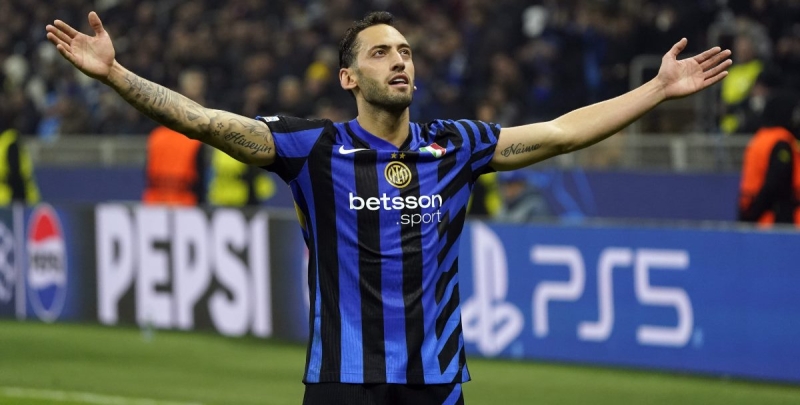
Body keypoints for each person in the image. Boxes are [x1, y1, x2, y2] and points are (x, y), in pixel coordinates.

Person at [45, 11, 731, 404]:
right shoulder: (313, 147)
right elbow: (204, 122)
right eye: (380, 53)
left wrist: (655, 90)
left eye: (405, 51)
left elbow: (560, 133)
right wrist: (116, 75)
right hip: (343, 384)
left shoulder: (456, 145)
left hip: (436, 383)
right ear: (349, 77)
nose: (400, 61)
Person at [142, 69, 208, 206]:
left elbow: (147, 174)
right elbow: (200, 183)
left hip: (154, 205)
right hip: (184, 206)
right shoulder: (195, 140)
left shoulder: (155, 136)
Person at [737, 91, 800, 226]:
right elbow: (776, 183)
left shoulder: (760, 137)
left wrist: (747, 215)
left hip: (749, 208)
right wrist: (755, 214)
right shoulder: (781, 142)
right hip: (771, 218)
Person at [0, 128, 41, 206]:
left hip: (5, 197)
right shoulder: (12, 143)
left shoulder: (4, 142)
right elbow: (16, 172)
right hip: (12, 196)